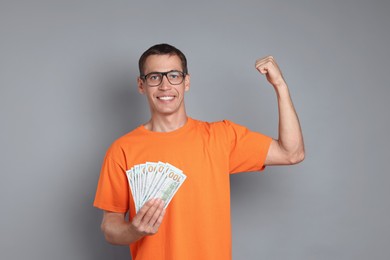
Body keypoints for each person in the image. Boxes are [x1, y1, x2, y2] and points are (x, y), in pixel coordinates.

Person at [93, 43, 304, 259]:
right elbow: (110, 226)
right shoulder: (122, 150)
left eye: (174, 75)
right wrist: (133, 231)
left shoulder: (221, 137)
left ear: (187, 82)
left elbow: (291, 152)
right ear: (141, 84)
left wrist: (280, 86)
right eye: (155, 77)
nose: (165, 85)